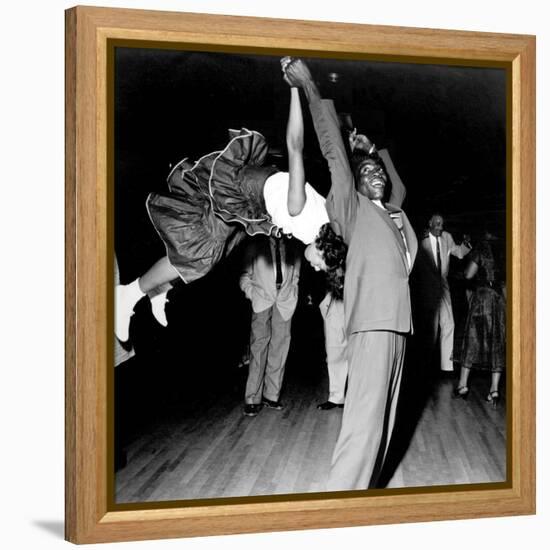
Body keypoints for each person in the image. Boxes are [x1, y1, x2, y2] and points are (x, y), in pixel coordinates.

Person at [115, 86, 347, 343]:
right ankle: (128, 294)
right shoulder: (300, 210)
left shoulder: (327, 221)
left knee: (216, 254)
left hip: (255, 208)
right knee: (199, 253)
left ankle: (159, 287)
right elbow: (295, 146)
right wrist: (294, 88)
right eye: (321, 264)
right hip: (242, 190)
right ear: (324, 247)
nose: (315, 268)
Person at [283, 57, 418, 490]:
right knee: (364, 424)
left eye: (377, 171)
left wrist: (376, 150)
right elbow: (334, 153)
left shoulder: (392, 212)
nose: (374, 174)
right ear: (355, 187)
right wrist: (309, 86)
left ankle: (364, 496)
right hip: (374, 325)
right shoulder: (352, 210)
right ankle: (340, 501)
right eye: (367, 174)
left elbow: (398, 189)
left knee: (385, 424)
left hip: (399, 327)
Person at [240, 236, 301, 416]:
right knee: (258, 348)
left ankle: (271, 396)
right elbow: (244, 275)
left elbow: (296, 273)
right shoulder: (254, 244)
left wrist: (293, 291)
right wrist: (252, 293)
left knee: (280, 348)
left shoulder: (293, 245)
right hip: (261, 300)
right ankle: (252, 398)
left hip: (285, 301)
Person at [412, 213, 471, 373]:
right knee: (430, 328)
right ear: (430, 223)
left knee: (449, 323)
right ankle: (426, 366)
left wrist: (466, 244)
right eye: (437, 224)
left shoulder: (446, 237)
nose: (440, 227)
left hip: (443, 285)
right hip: (426, 287)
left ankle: (446, 367)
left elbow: (458, 253)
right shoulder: (419, 239)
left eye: (442, 224)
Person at [453, 227, 506, 406]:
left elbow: (469, 274)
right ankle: (494, 389)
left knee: (472, 339)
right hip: (499, 298)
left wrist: (459, 275)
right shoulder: (504, 248)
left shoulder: (481, 247)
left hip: (483, 297)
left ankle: (462, 386)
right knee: (496, 342)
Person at [317, 291, 347, 410]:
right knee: (335, 349)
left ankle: (356, 396)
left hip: (364, 294)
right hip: (337, 296)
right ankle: (337, 396)